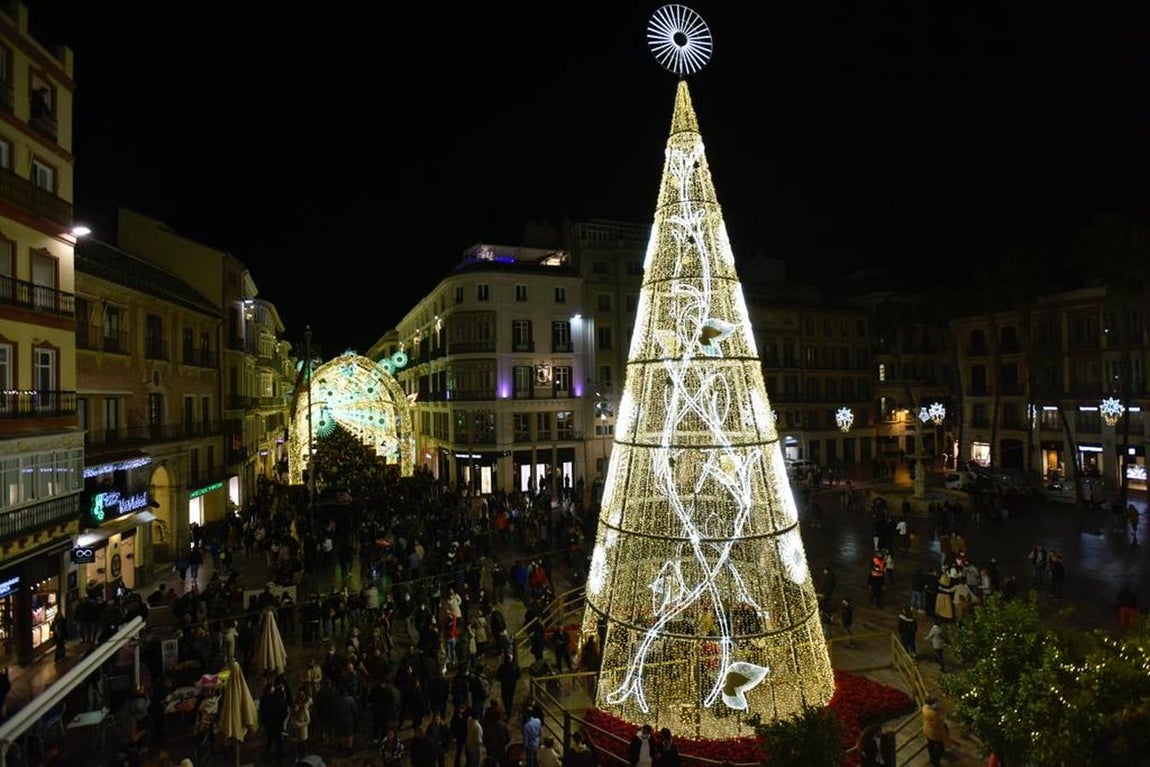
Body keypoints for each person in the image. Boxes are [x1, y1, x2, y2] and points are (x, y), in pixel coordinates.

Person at [921, 698, 950, 767]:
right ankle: (936, 761)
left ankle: (932, 758)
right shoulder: (933, 713)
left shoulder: (925, 708)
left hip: (927, 729)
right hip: (935, 732)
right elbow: (939, 724)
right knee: (940, 747)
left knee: (930, 744)